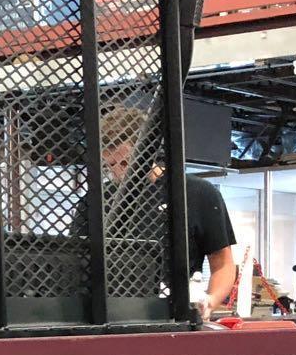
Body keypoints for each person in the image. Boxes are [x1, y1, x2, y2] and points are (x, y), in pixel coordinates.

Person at [98, 104, 238, 312]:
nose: (119, 173)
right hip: (111, 314)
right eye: (110, 165)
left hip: (174, 316)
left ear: (147, 152)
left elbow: (223, 265)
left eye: (126, 163)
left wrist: (210, 301)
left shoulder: (196, 193)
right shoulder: (97, 200)